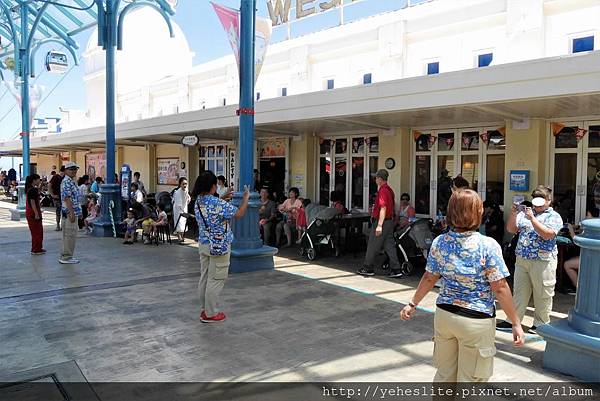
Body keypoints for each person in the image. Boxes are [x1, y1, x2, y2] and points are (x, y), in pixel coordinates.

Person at [400, 189, 525, 382]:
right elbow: (499, 287)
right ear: (478, 212)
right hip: (476, 319)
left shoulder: (440, 242)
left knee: (444, 374)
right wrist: (515, 322)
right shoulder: (488, 245)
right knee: (471, 382)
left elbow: (429, 278)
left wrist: (412, 303)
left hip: (445, 316)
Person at [496, 185, 563, 334]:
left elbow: (548, 234)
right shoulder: (525, 213)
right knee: (519, 291)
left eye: (541, 199)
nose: (537, 202)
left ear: (548, 201)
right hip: (522, 259)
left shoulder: (554, 216)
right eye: (535, 198)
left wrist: (533, 219)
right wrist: (514, 213)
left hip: (543, 261)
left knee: (543, 293)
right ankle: (513, 320)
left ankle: (541, 324)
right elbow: (511, 229)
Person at [193, 171, 250, 323]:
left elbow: (213, 207)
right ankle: (211, 314)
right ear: (212, 186)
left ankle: (204, 309)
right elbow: (239, 214)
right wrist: (245, 199)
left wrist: (223, 196)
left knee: (205, 277)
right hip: (219, 246)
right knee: (216, 279)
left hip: (204, 244)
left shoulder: (198, 200)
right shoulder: (217, 203)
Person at [357, 169, 403, 278]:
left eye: (376, 177)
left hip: (382, 222)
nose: (375, 179)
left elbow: (383, 208)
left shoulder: (383, 191)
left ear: (380, 179)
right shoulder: (389, 190)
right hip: (389, 222)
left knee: (372, 244)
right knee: (389, 245)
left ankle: (367, 267)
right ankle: (396, 269)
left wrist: (379, 225)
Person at [59, 162, 82, 264]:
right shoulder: (67, 182)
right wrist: (71, 213)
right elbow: (67, 198)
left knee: (69, 235)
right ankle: (67, 257)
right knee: (70, 235)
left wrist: (78, 211)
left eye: (75, 169)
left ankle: (66, 255)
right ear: (66, 171)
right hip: (69, 212)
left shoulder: (71, 181)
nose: (74, 171)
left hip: (71, 211)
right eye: (71, 169)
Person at [25, 174, 45, 255]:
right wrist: (36, 213)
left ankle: (37, 248)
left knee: (36, 231)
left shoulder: (30, 189)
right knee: (37, 232)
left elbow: (38, 192)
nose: (39, 181)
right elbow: (32, 202)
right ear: (34, 180)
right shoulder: (32, 190)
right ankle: (36, 249)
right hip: (33, 213)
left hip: (30, 213)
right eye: (38, 180)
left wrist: (42, 184)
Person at [172, 177, 191, 244]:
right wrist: (182, 211)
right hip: (178, 209)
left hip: (184, 207)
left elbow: (188, 198)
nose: (185, 185)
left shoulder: (186, 190)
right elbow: (178, 204)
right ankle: (179, 237)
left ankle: (182, 236)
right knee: (179, 222)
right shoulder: (177, 192)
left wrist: (188, 198)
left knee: (183, 223)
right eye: (183, 184)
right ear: (180, 184)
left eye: (186, 184)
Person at [49, 166, 65, 231]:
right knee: (58, 211)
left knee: (64, 211)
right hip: (57, 197)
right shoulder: (56, 177)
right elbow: (49, 185)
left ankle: (62, 225)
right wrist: (52, 195)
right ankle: (58, 225)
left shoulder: (65, 178)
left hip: (63, 197)